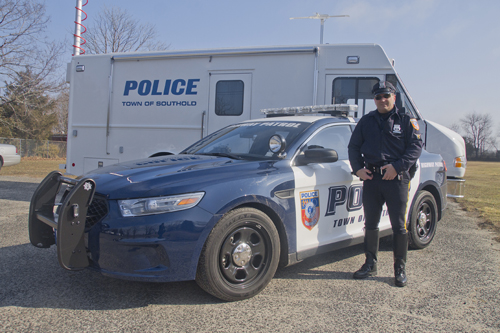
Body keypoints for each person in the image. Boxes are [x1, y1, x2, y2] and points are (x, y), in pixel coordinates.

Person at [347, 81, 423, 287]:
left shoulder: (407, 120)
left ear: (394, 97)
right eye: (378, 97)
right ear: (375, 99)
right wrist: (358, 169)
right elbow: (353, 146)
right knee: (370, 223)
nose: (382, 100)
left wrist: (397, 167)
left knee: (399, 225)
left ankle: (399, 268)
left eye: (386, 96)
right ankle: (370, 263)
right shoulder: (366, 121)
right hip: (372, 178)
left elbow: (416, 147)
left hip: (396, 179)